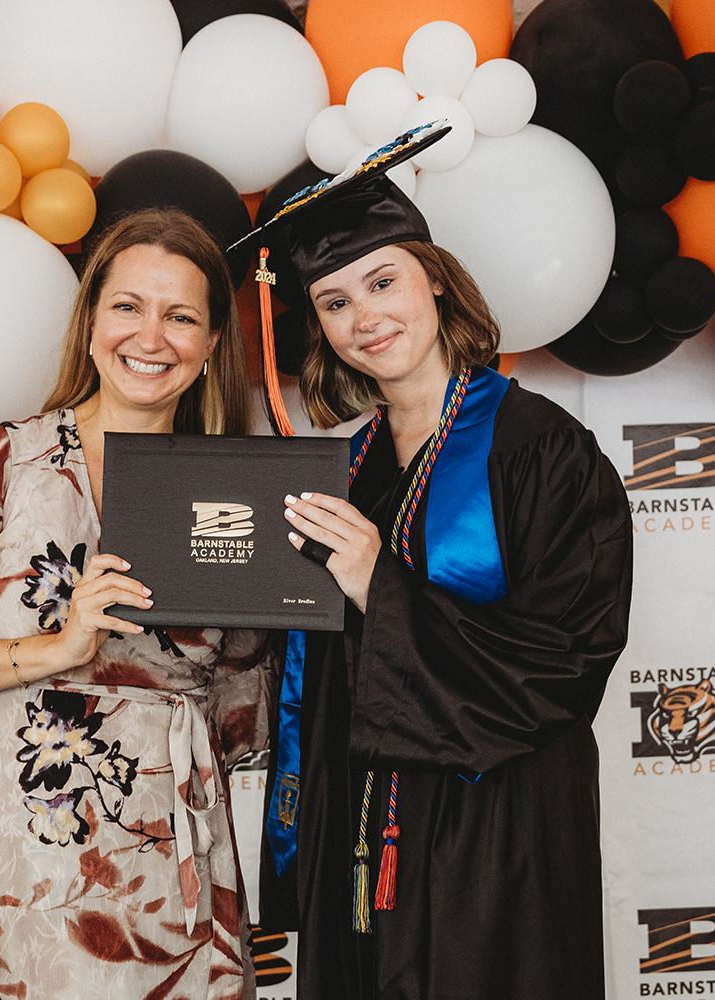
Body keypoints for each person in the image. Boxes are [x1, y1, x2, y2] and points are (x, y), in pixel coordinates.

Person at [241, 127, 633, 999]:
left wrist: (380, 583)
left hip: (495, 834)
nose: (364, 318)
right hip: (362, 834)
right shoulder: (342, 471)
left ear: (437, 280)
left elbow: (566, 663)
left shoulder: (544, 452)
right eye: (335, 302)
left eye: (383, 282)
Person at [0, 208, 275, 1000]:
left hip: (172, 842)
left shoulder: (237, 489)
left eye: (181, 316)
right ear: (90, 320)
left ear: (212, 343)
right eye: (128, 306)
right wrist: (56, 648)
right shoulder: (1, 459)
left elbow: (245, 712)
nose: (150, 337)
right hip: (27, 842)